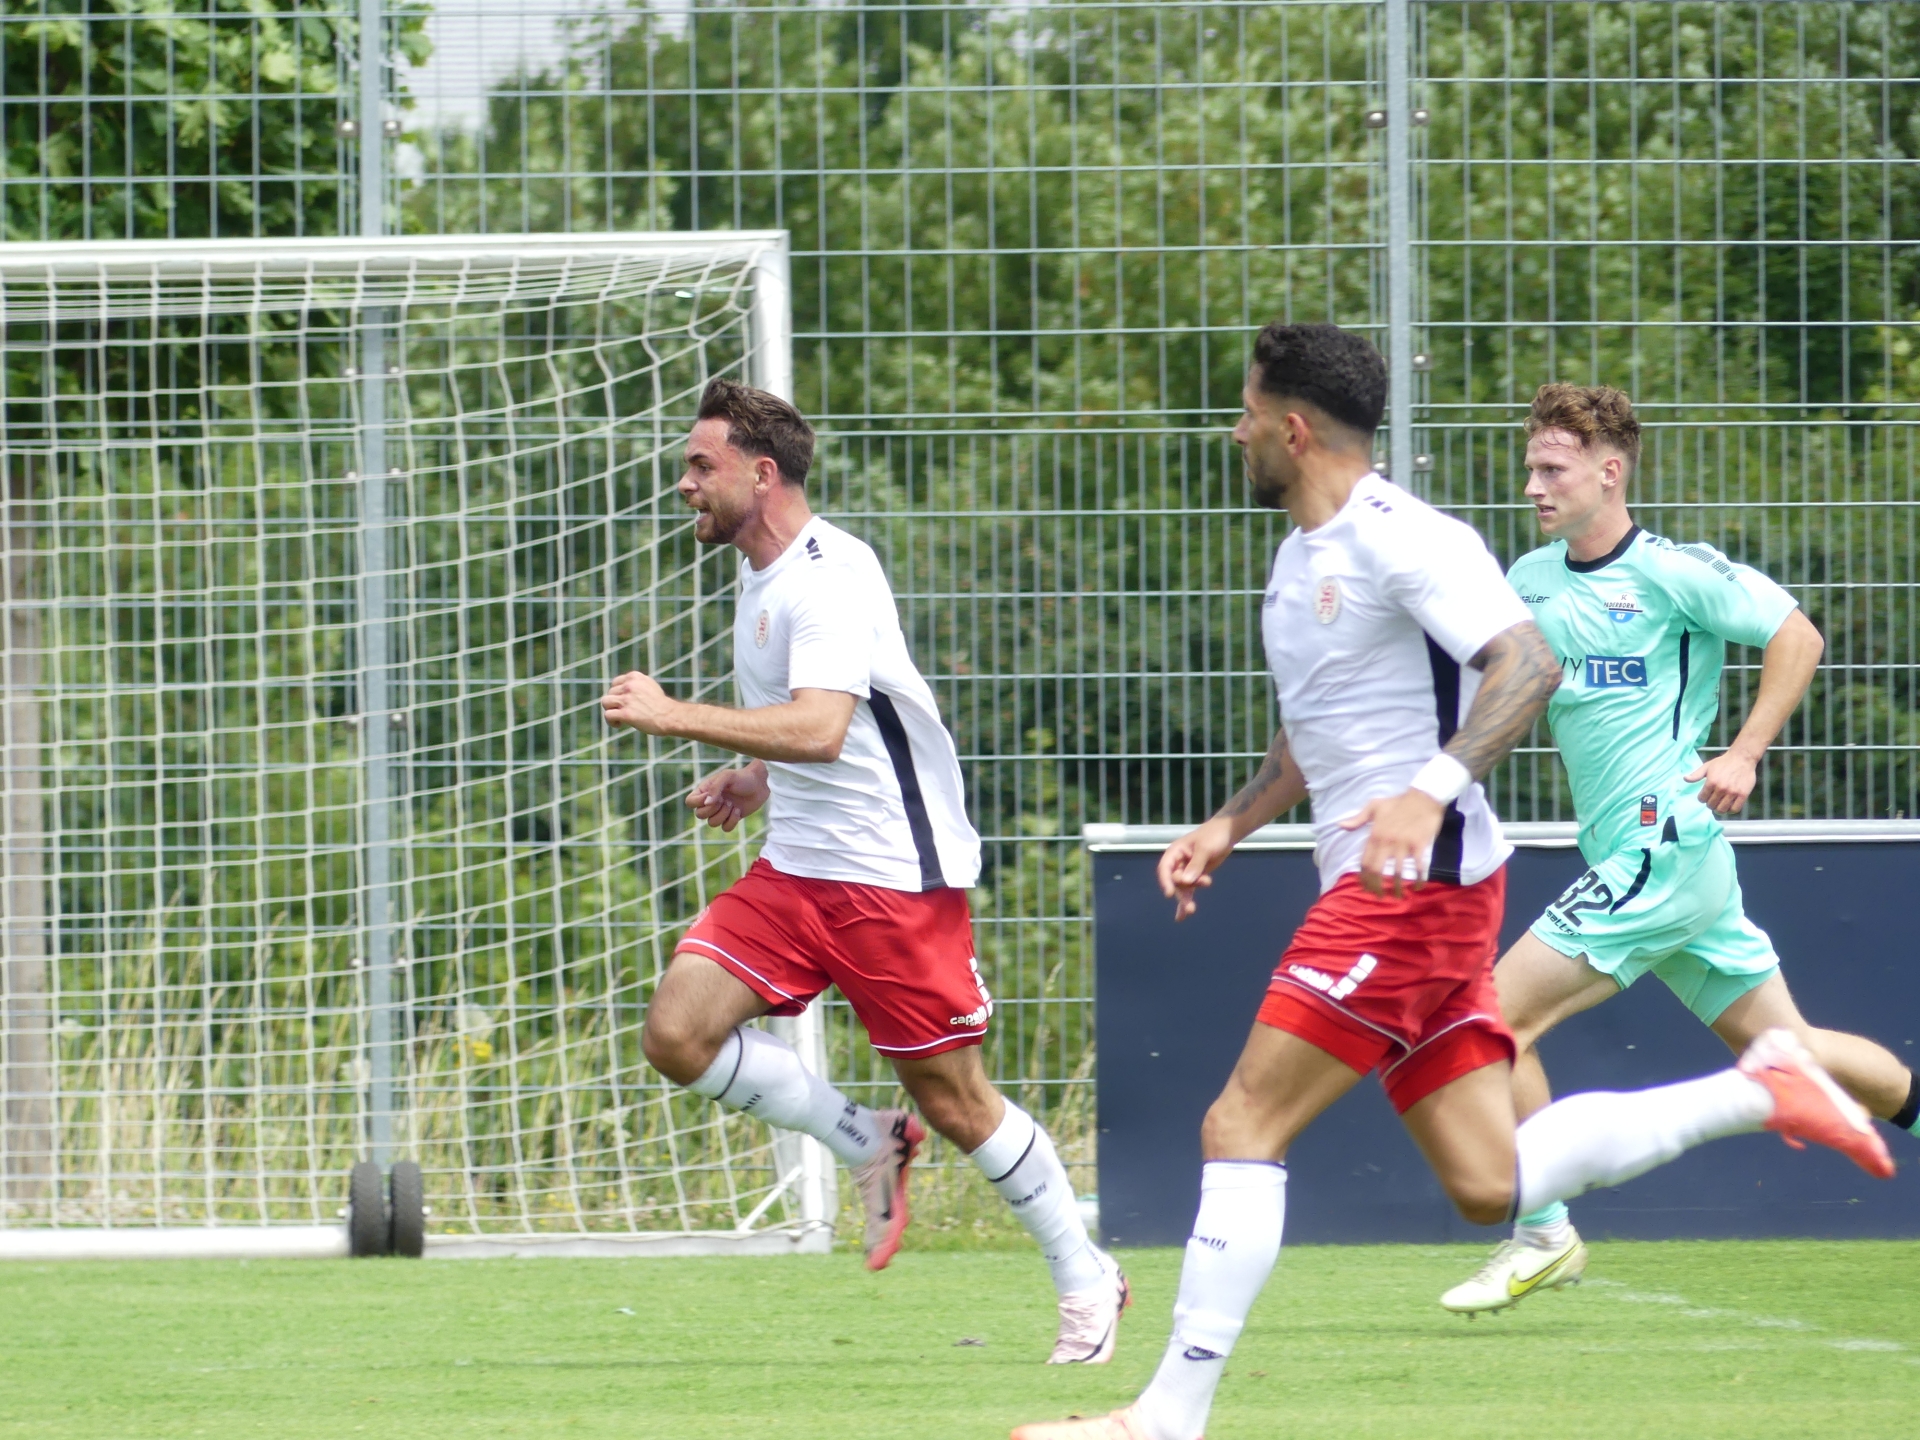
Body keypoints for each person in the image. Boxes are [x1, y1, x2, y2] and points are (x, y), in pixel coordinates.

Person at [1008, 326, 1893, 1440]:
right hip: (1406, 882)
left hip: (1411, 890)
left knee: (1241, 1122)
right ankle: (1761, 1091)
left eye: (1248, 414)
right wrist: (1229, 824)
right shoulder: (1299, 560)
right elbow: (1313, 736)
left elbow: (1528, 665)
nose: (1236, 433)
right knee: (1488, 1182)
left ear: (1293, 429)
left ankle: (1164, 1419)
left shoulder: (1408, 537)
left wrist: (1427, 793)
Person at [603, 378, 1128, 1364]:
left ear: (762, 474)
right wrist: (757, 779)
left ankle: (1085, 1276)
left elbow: (822, 726)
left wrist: (676, 716)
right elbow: (828, 724)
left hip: (890, 878)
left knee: (957, 1102)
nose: (684, 484)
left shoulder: (829, 576)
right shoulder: (760, 576)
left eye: (701, 466)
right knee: (677, 1033)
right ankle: (864, 1141)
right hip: (797, 871)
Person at [1439, 383, 1920, 1315]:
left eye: (1553, 469)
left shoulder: (1672, 572)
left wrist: (1743, 752)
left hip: (1663, 841)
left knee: (1491, 1022)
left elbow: (1796, 635)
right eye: (1531, 467)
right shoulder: (1529, 578)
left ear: (1609, 472)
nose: (1533, 486)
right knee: (1794, 1046)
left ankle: (1543, 1233)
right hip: (1648, 856)